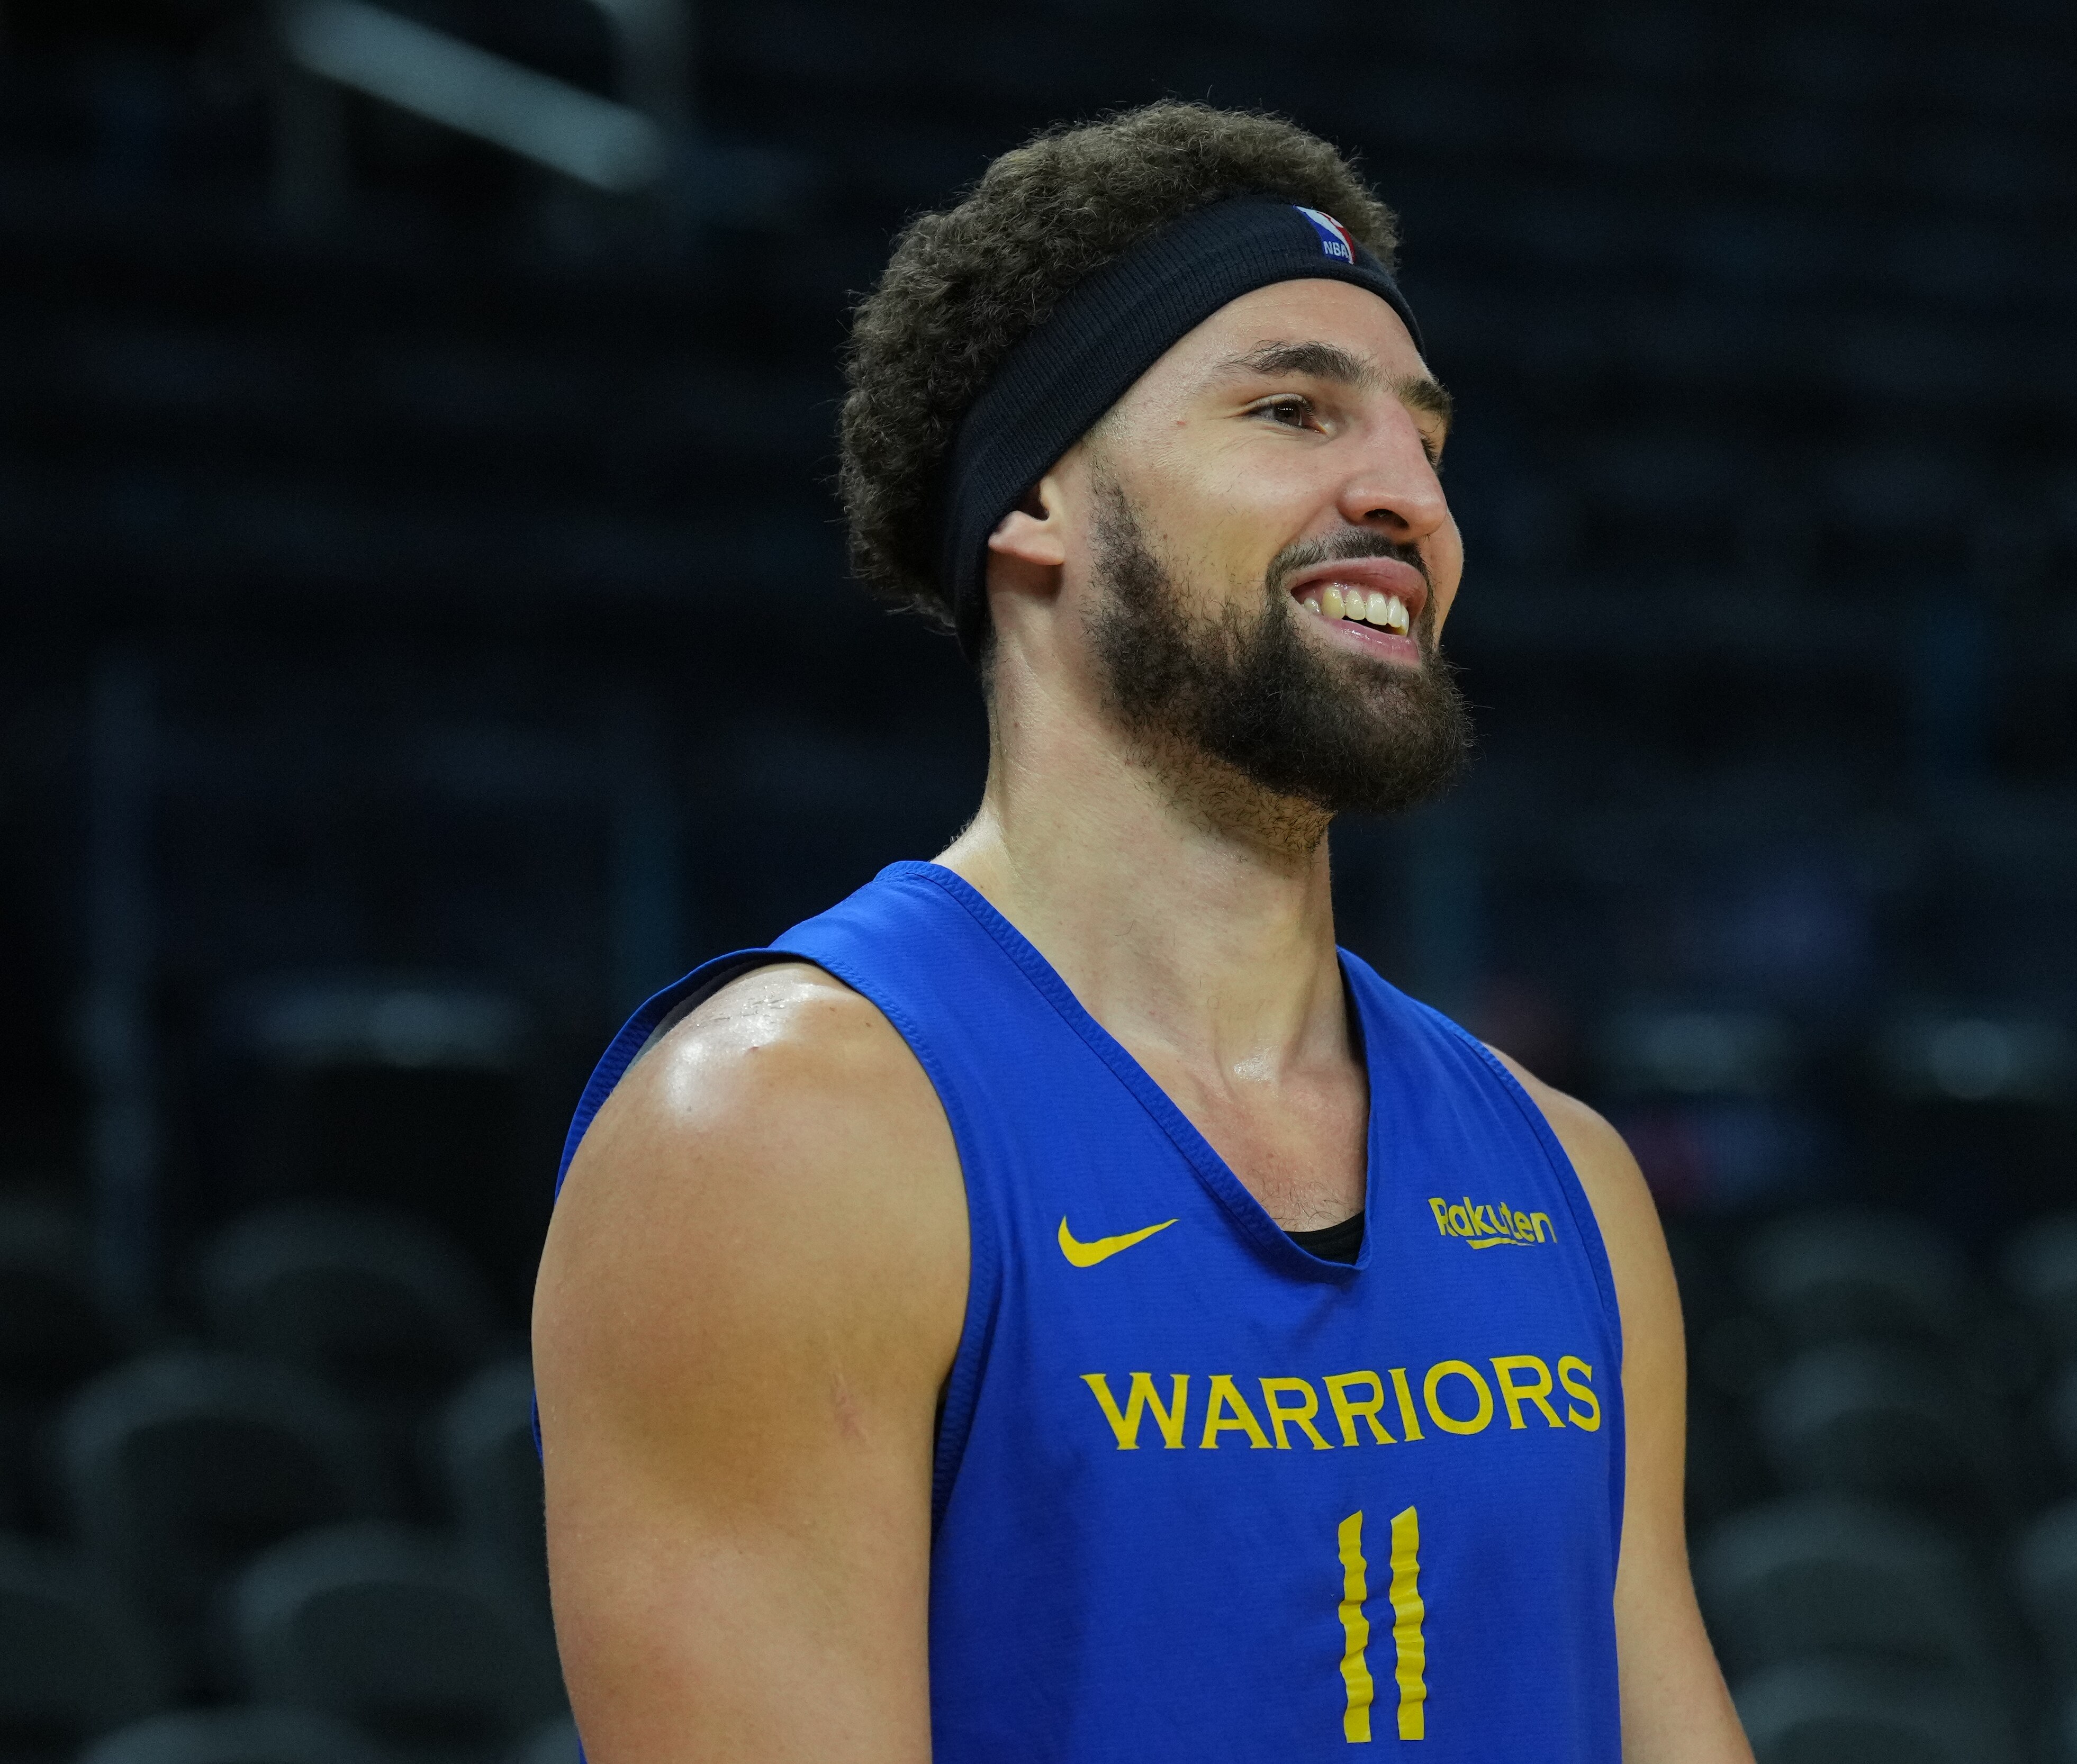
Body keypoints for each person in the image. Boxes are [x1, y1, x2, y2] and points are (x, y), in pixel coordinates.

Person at [533, 101, 1750, 1762]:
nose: (1407, 496)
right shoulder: (775, 1138)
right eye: (1292, 410)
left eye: (1427, 442)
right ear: (1033, 496)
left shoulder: (1572, 1186)